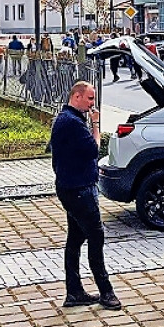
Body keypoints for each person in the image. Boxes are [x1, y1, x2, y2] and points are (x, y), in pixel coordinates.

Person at [50, 81, 121, 310]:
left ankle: (74, 292)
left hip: (72, 186)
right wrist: (96, 124)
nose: (93, 104)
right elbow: (94, 148)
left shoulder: (67, 119)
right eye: (90, 99)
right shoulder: (71, 122)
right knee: (96, 236)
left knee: (75, 238)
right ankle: (106, 291)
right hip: (79, 190)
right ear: (77, 96)